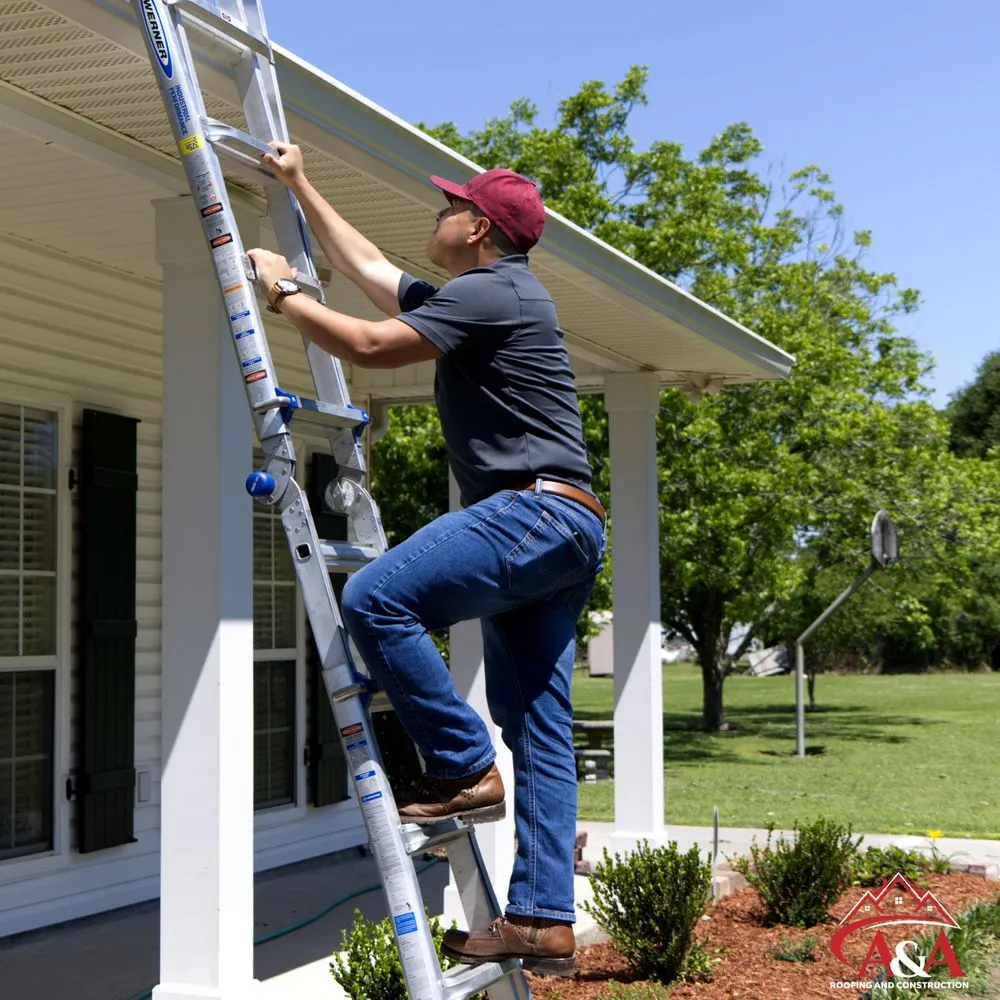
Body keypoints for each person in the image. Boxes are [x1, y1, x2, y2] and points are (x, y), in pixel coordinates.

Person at [246, 141, 606, 975]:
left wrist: (285, 294)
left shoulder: (491, 292)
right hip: (568, 527)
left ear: (478, 227)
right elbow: (371, 268)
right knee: (542, 731)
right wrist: (300, 183)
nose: (436, 216)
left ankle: (460, 764)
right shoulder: (491, 293)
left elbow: (369, 346)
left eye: (450, 206)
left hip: (533, 512)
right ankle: (543, 917)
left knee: (374, 597)